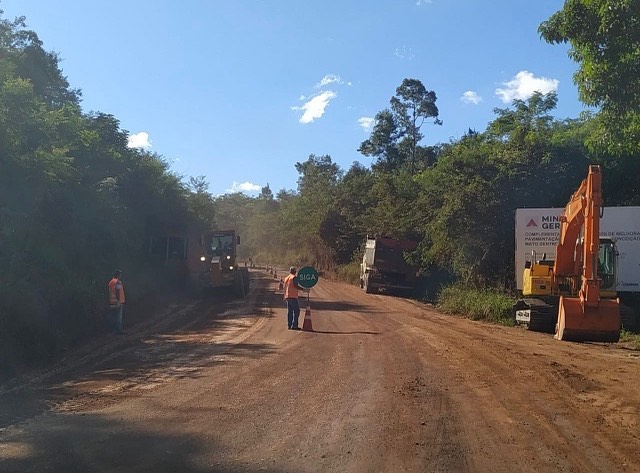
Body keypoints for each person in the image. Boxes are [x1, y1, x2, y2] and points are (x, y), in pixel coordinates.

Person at [108, 269, 126, 334]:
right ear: (118, 275)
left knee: (113, 317)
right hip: (118, 301)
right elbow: (118, 291)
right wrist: (118, 300)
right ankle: (119, 330)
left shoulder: (111, 282)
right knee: (118, 317)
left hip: (112, 301)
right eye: (120, 274)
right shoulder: (118, 282)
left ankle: (113, 330)